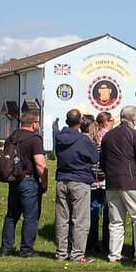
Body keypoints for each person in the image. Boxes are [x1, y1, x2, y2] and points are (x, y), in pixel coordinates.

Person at [100, 105, 136, 264]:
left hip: (112, 181)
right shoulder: (135, 135)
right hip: (131, 180)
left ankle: (114, 255)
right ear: (134, 119)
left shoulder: (108, 136)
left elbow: (102, 161)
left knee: (115, 220)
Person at [0, 110, 49, 257]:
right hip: (29, 180)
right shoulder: (35, 139)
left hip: (14, 180)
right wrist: (45, 181)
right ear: (34, 124)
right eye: (38, 123)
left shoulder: (12, 137)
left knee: (11, 215)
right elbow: (40, 164)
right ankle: (26, 249)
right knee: (31, 217)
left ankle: (6, 248)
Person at [53, 109, 99, 263]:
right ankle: (77, 254)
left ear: (67, 121)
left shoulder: (58, 136)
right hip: (79, 180)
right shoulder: (83, 140)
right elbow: (94, 157)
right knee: (80, 220)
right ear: (80, 122)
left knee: (62, 219)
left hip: (62, 179)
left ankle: (61, 253)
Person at [86, 112, 113, 254]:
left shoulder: (92, 137)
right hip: (106, 178)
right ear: (107, 122)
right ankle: (107, 244)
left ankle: (91, 242)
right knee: (108, 214)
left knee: (94, 212)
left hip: (94, 179)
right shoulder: (109, 136)